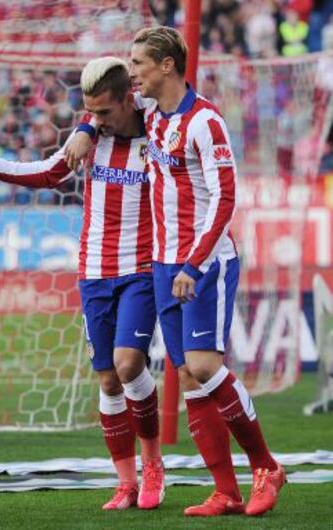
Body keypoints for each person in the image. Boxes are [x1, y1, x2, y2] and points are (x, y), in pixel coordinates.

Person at [68, 26, 286, 518]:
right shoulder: (149, 113)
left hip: (204, 261)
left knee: (206, 366)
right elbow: (105, 104)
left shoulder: (204, 121)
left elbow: (226, 197)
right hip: (163, 265)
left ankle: (266, 466)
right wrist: (85, 127)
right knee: (187, 374)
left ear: (166, 65)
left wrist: (193, 261)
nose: (132, 72)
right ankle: (226, 491)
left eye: (139, 63)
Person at [0, 57, 165, 512]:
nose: (96, 120)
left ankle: (154, 464)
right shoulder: (90, 138)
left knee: (128, 365)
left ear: (128, 99)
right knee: (107, 380)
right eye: (90, 112)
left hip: (142, 269)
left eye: (103, 112)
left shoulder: (159, 129)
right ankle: (124, 483)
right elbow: (45, 173)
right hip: (94, 272)